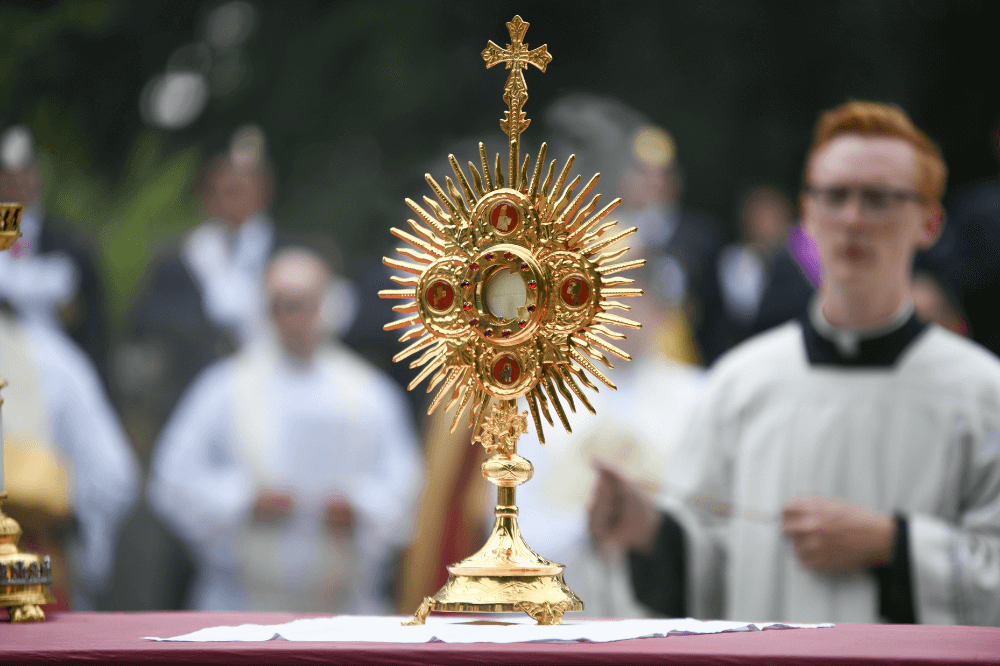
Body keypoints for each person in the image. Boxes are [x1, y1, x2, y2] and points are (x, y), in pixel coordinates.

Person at [588, 101, 1000, 625]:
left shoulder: (984, 394)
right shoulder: (741, 385)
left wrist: (894, 546)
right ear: (806, 214)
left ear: (929, 221)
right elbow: (710, 570)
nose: (852, 218)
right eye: (834, 196)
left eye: (878, 199)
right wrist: (646, 529)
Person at [148, 247, 421, 613]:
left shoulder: (370, 393)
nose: (296, 318)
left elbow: (407, 483)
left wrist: (359, 508)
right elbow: (172, 478)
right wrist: (244, 501)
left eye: (306, 303)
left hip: (344, 607)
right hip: (241, 604)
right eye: (283, 304)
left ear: (330, 304)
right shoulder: (223, 388)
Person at [0, 310, 138, 610]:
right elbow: (113, 478)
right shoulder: (52, 357)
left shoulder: (51, 361)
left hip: (25, 582)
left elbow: (112, 478)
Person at [0, 125, 111, 384]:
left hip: (53, 375)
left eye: (24, 172)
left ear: (38, 175)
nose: (17, 182)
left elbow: (94, 327)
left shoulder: (72, 247)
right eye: (7, 174)